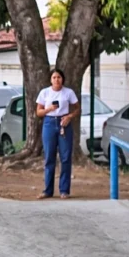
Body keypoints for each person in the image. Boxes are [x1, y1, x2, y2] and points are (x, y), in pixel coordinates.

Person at [35, 68, 80, 199]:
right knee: (49, 156)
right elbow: (38, 112)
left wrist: (70, 116)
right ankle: (47, 190)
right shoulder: (45, 93)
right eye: (54, 77)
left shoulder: (68, 92)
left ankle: (64, 190)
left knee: (65, 157)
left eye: (59, 77)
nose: (56, 80)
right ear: (50, 79)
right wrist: (48, 109)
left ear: (62, 79)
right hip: (49, 122)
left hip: (63, 123)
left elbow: (77, 108)